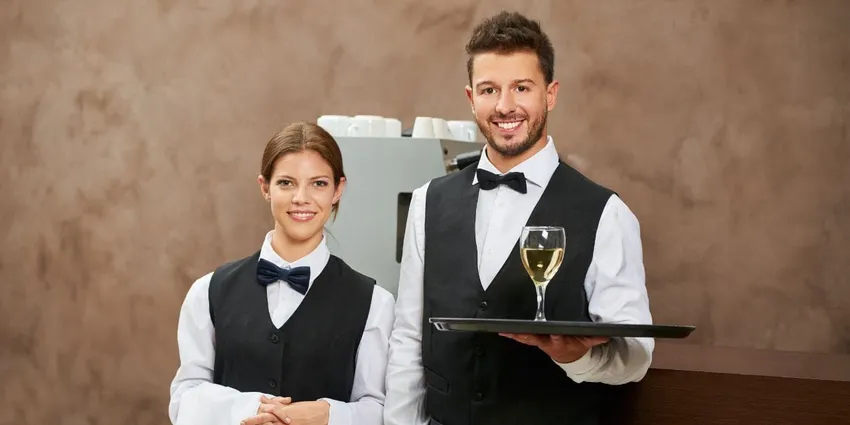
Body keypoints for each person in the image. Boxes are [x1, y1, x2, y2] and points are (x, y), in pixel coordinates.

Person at [383, 11, 654, 425]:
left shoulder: (607, 214)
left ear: (550, 93)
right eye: (490, 89)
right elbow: (408, 340)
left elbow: (636, 355)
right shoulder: (426, 202)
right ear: (472, 98)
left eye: (521, 88)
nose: (505, 106)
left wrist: (579, 358)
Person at [168, 122, 395, 425]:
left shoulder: (374, 303)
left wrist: (330, 415)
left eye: (318, 184)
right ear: (265, 187)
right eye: (286, 183)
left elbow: (381, 411)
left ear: (338, 190)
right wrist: (249, 409)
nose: (301, 198)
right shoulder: (208, 291)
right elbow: (184, 398)